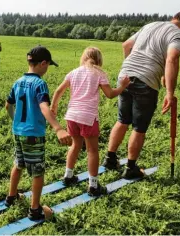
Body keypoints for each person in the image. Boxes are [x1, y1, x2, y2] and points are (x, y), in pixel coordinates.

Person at [102, 10, 180, 179]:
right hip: (145, 81)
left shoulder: (150, 25)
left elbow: (126, 45)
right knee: (139, 127)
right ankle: (131, 168)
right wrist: (170, 92)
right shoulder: (179, 34)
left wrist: (130, 67)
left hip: (125, 75)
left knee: (122, 120)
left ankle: (110, 158)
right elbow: (172, 58)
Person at [50, 47, 130, 196]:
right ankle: (93, 186)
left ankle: (68, 176)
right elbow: (110, 94)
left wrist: (54, 107)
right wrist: (123, 86)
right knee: (92, 150)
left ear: (83, 57)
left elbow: (58, 91)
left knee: (75, 145)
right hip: (88, 117)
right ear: (99, 59)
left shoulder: (74, 72)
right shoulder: (99, 73)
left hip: (72, 115)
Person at [5, 46, 72, 221]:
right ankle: (35, 210)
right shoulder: (40, 84)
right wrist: (58, 128)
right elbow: (44, 107)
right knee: (38, 171)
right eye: (48, 65)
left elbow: (8, 106)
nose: (47, 68)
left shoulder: (17, 82)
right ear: (42, 63)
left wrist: (17, 121)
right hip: (34, 134)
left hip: (18, 131)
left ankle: (11, 197)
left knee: (18, 163)